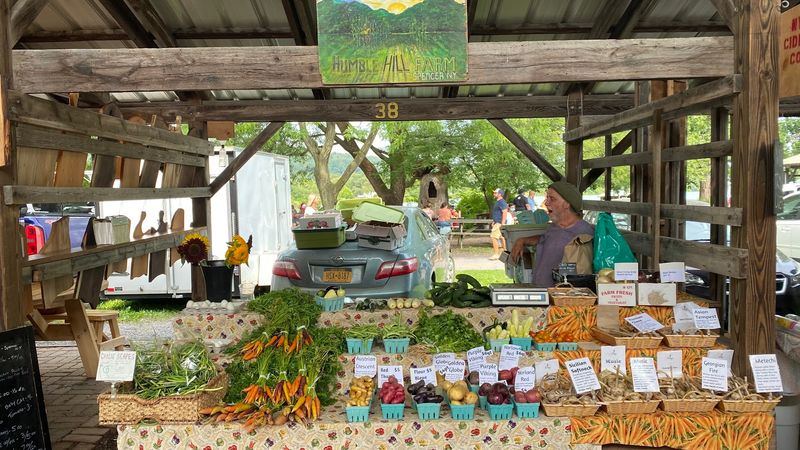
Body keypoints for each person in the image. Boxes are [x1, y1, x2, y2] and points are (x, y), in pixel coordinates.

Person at [511, 181, 594, 287]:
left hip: (561, 299)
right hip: (541, 294)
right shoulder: (554, 227)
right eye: (547, 198)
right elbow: (547, 240)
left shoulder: (585, 233)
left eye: (552, 199)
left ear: (567, 204)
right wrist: (522, 240)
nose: (546, 203)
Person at [489, 188, 509, 260]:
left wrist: (502, 223)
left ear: (500, 194)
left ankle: (496, 254)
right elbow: (497, 213)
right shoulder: (498, 202)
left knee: (493, 237)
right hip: (497, 222)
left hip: (499, 223)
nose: (494, 194)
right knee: (501, 238)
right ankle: (506, 252)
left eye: (495, 193)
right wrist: (494, 221)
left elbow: (505, 212)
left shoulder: (502, 202)